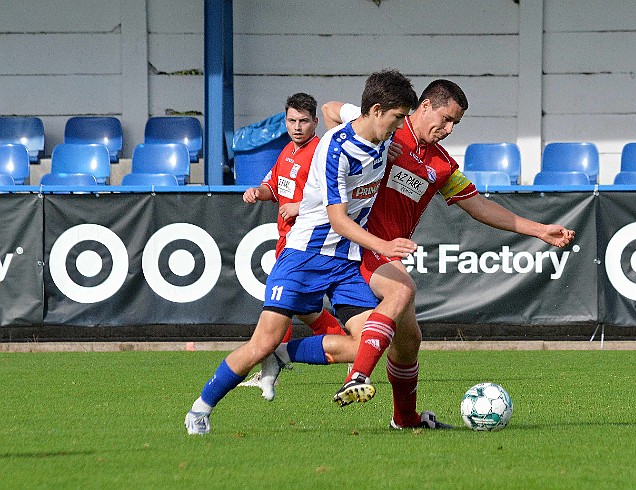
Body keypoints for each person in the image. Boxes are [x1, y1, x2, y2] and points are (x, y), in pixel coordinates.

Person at [259, 79, 575, 430]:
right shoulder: (387, 130)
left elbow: (479, 206)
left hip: (388, 252)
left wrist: (539, 230)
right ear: (424, 106)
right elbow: (331, 110)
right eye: (446, 118)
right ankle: (357, 376)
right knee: (400, 290)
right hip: (358, 246)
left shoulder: (441, 166)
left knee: (409, 343)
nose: (449, 128)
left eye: (456, 123)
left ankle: (402, 418)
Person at [185, 69, 419, 435]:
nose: (401, 126)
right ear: (376, 110)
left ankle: (285, 354)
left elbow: (330, 109)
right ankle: (201, 408)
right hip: (305, 257)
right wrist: (384, 246)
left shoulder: (373, 127)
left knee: (367, 343)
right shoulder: (336, 150)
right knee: (260, 343)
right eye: (398, 118)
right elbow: (339, 221)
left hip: (345, 262)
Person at [238, 93, 345, 388]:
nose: (296, 127)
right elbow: (273, 184)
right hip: (286, 238)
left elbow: (337, 193)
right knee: (304, 309)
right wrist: (258, 192)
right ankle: (349, 343)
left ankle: (269, 364)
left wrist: (301, 206)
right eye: (291, 120)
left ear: (314, 122)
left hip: (307, 241)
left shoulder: (321, 151)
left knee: (279, 304)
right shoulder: (287, 150)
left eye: (303, 121)